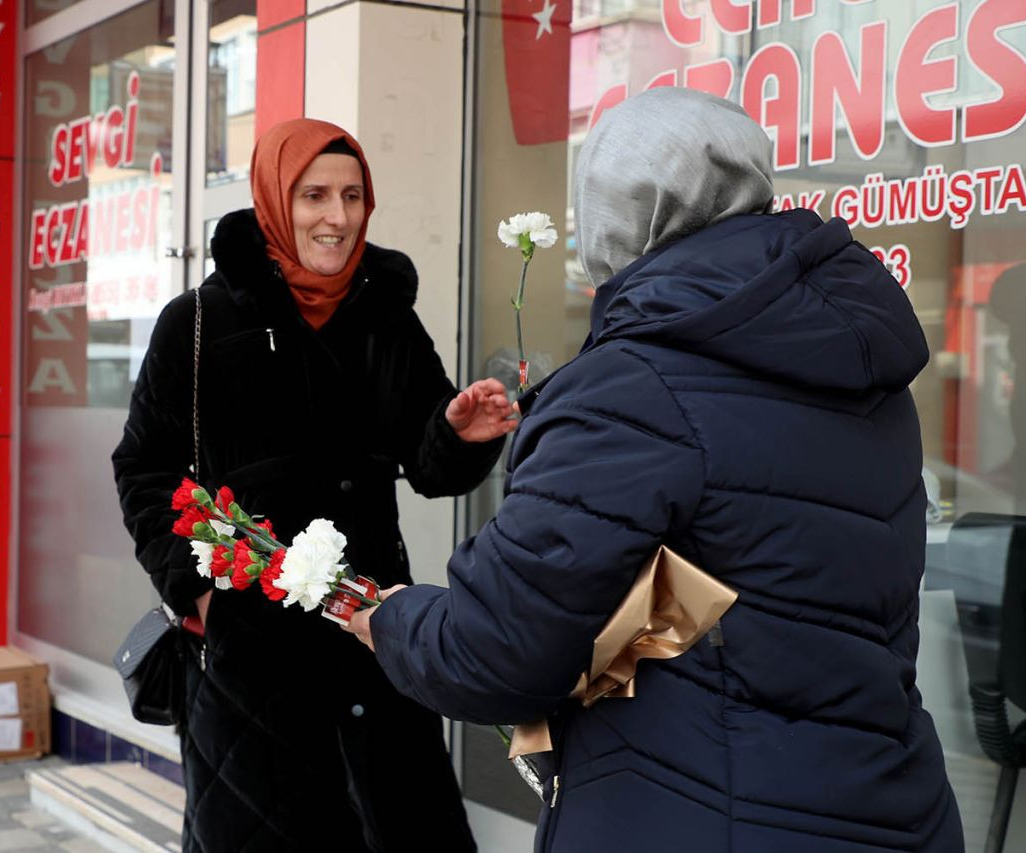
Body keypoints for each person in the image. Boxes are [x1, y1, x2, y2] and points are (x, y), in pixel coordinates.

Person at [347, 87, 964, 852]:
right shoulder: (862, 369)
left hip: (703, 815)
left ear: (612, 217)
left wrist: (395, 620)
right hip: (893, 807)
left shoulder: (633, 384)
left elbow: (495, 650)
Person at [113, 118, 514, 852]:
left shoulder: (383, 316)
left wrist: (457, 434)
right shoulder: (198, 323)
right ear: (274, 198)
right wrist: (200, 591)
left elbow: (427, 466)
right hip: (248, 664)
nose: (337, 216)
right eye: (314, 195)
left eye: (353, 195)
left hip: (372, 636)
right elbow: (143, 469)